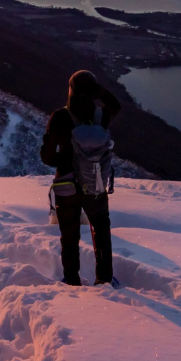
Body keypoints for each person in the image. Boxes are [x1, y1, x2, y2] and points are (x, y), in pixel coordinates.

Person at [41, 70, 121, 286]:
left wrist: (66, 161)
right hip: (95, 184)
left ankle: (71, 280)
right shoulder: (100, 117)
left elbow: (46, 156)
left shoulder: (60, 117)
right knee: (101, 229)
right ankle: (104, 279)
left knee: (69, 236)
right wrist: (100, 92)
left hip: (66, 186)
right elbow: (115, 105)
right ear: (93, 93)